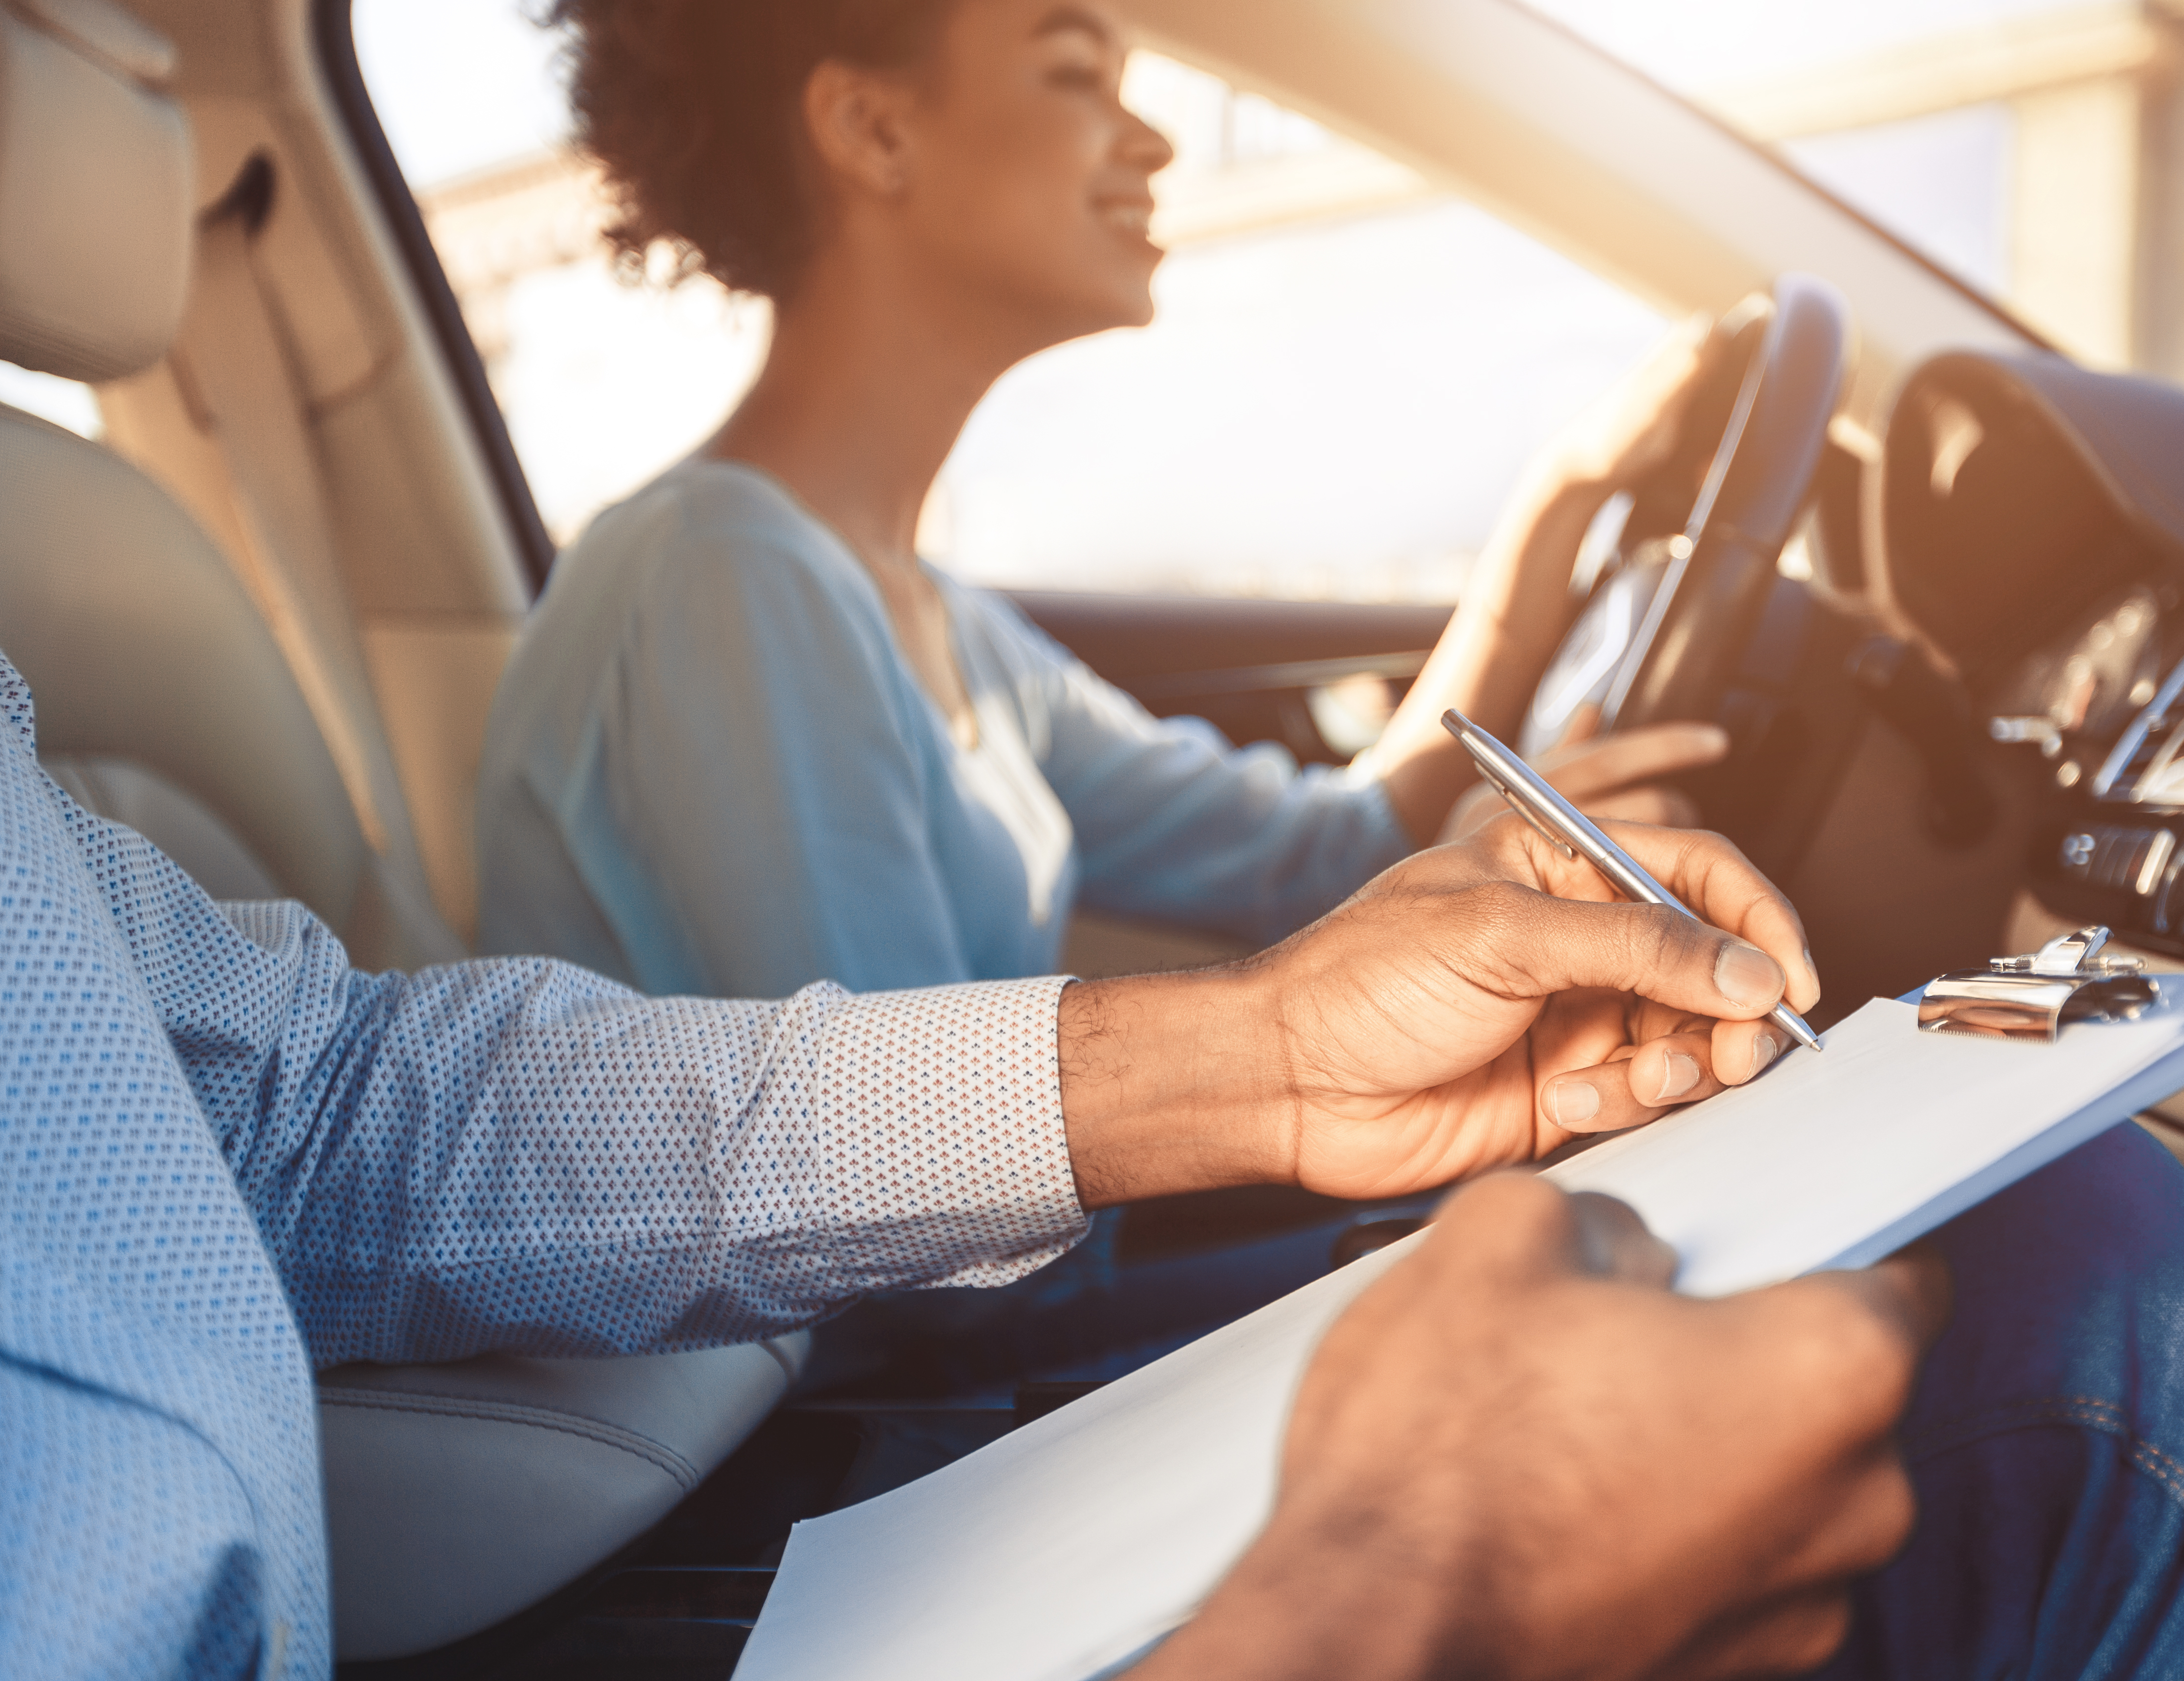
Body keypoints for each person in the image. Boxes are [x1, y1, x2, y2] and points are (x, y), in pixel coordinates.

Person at [0, 597, 2184, 1681]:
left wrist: (1263, 1061)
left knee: (2049, 1258)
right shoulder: (709, 592)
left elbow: (291, 1102)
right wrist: (1336, 1676)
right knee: (2076, 1371)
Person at [473, 0, 1729, 1005]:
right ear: (873, 129)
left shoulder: (931, 618)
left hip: (990, 1308)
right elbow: (894, 1227)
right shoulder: (722, 582)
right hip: (921, 1321)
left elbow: (1330, 852)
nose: (1156, 141)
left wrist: (1563, 497)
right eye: (1078, 73)